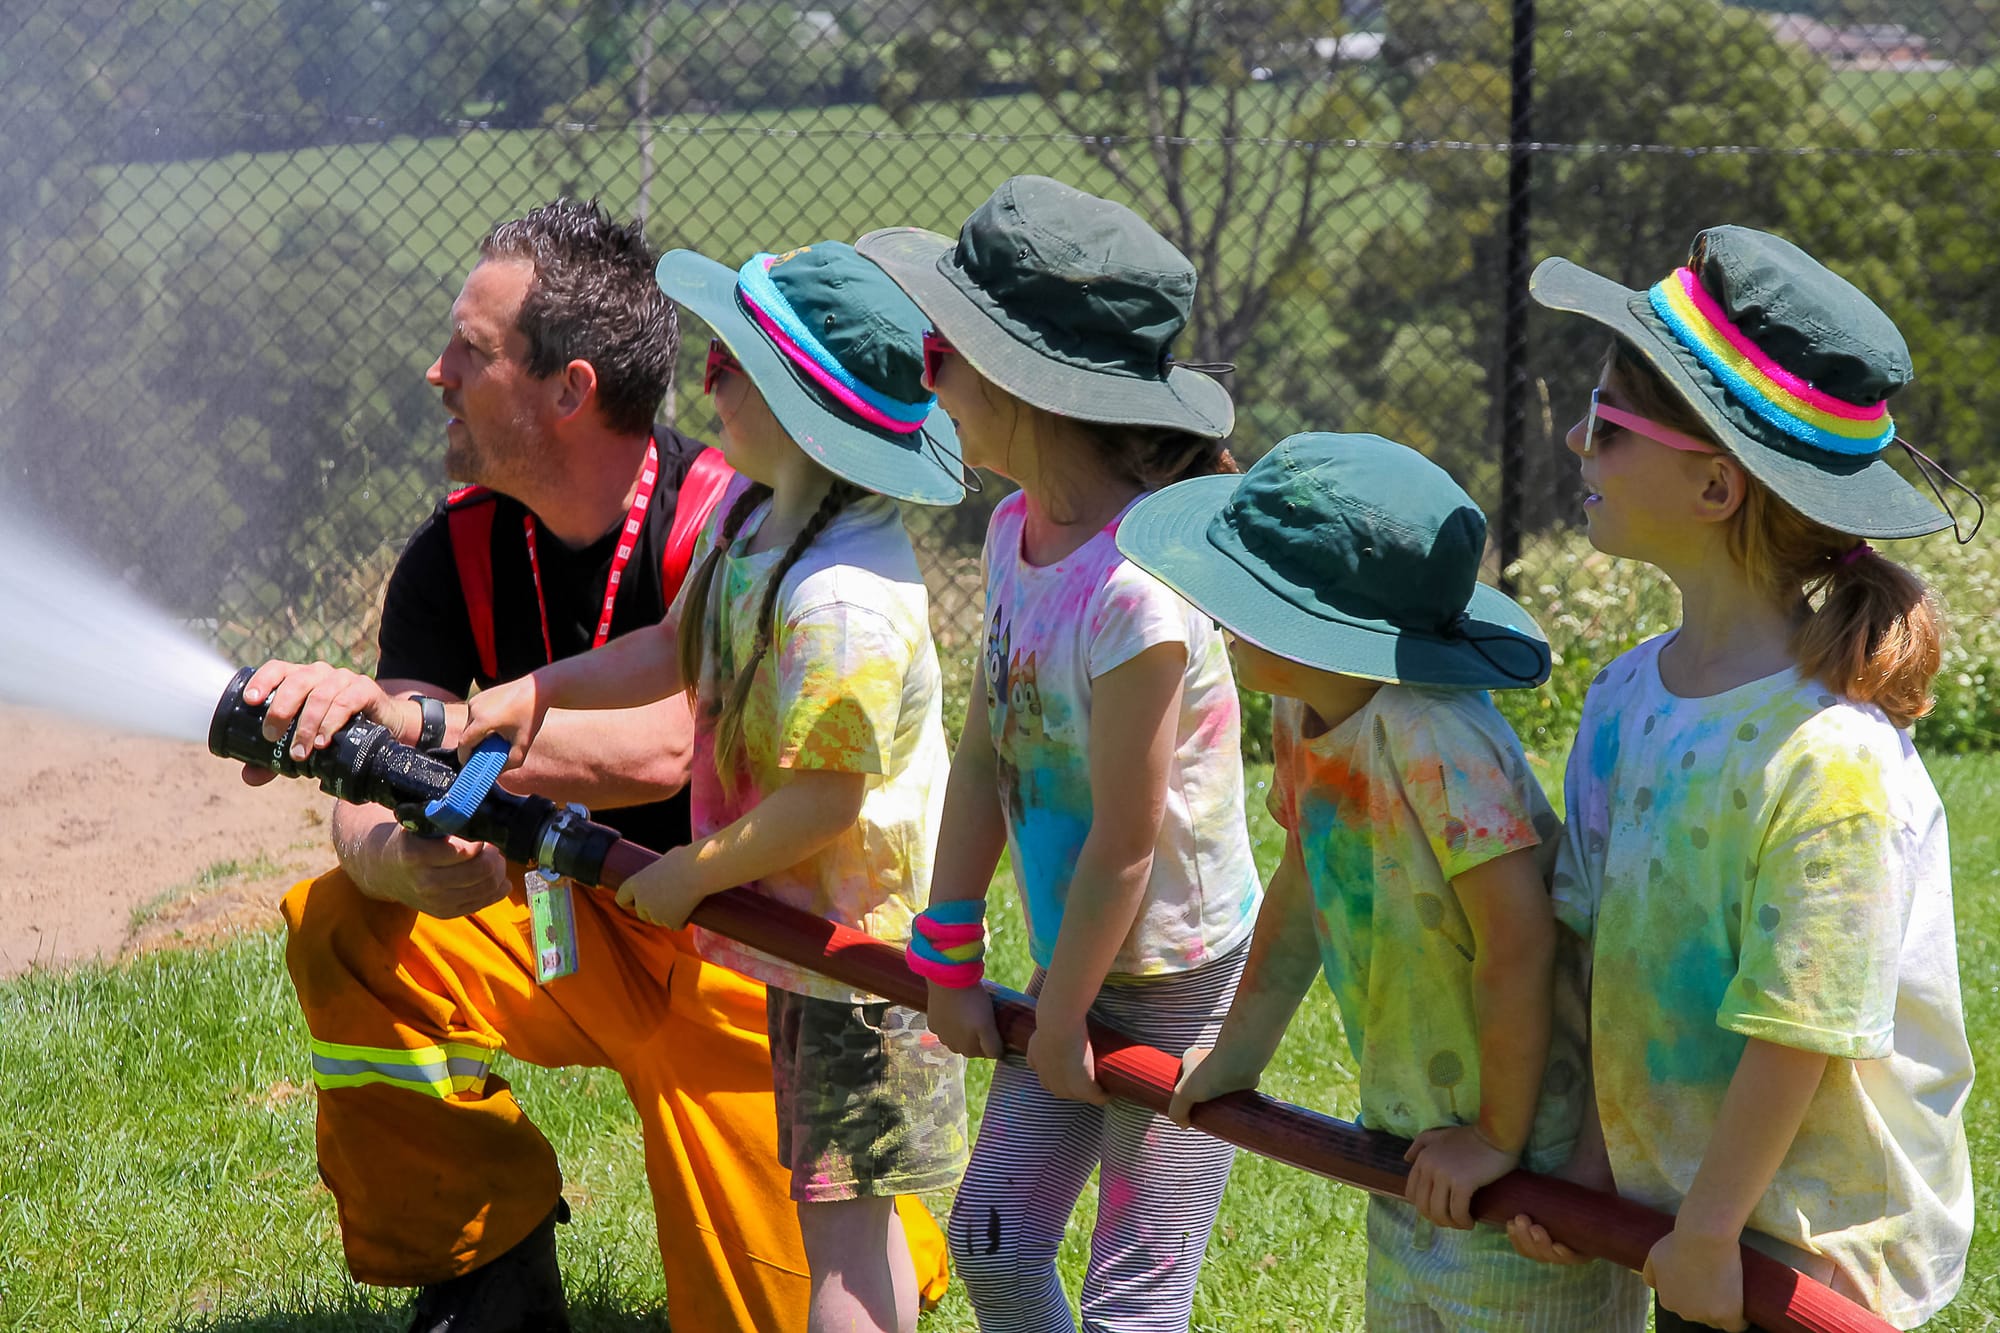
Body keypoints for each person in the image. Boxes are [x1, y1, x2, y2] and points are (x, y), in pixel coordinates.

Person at [239, 200, 946, 1333]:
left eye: (469, 352)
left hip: (745, 953)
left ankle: (877, 1238)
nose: (436, 372)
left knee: (805, 1285)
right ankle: (485, 1273)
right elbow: (400, 763)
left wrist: (466, 731)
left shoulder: (739, 522)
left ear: (567, 389)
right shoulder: (453, 551)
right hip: (576, 923)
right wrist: (397, 849)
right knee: (340, 923)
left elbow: (674, 739)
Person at [457, 238, 969, 1333]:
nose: (704, 382)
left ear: (797, 407)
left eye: (730, 365)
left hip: (858, 964)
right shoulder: (751, 516)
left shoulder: (844, 600)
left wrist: (689, 872)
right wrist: (529, 694)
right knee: (844, 1217)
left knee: (837, 1241)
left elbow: (824, 803)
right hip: (792, 936)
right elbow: (673, 651)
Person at [1504, 225, 1976, 1331]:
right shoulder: (1623, 698)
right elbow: (1596, 957)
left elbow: (1800, 1026)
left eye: (1608, 424)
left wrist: (1709, 1228)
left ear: (1714, 485)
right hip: (1692, 1217)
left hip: (1814, 1252)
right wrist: (1586, 1168)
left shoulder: (1833, 760)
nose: (1574, 440)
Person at [856, 176, 1263, 1332]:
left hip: (1177, 981)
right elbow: (989, 743)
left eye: (940, 350)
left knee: (1131, 1303)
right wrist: (944, 942)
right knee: (988, 1244)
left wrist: (1067, 1010)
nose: (922, 372)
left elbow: (1131, 845)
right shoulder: (1009, 534)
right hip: (1075, 966)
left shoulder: (1139, 589)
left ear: (1018, 384)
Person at [1138, 432, 1647, 1331]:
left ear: (1327, 625)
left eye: (1244, 590)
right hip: (1416, 1138)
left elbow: (1518, 939)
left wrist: (1495, 1138)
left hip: (1525, 1156)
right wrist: (1234, 1056)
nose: (1214, 607)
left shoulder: (1436, 736)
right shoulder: (1304, 714)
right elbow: (1301, 892)